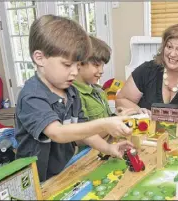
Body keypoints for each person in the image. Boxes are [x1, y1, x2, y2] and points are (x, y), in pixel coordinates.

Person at [15, 15, 133, 182]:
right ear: (39, 58)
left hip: (64, 171)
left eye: (78, 65)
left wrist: (109, 148)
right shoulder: (32, 96)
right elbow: (57, 133)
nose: (75, 72)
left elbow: (83, 132)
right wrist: (104, 123)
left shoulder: (71, 92)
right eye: (67, 65)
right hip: (36, 180)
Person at [115, 23, 178, 115]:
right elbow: (121, 100)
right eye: (169, 47)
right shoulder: (147, 70)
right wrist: (138, 111)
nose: (172, 54)